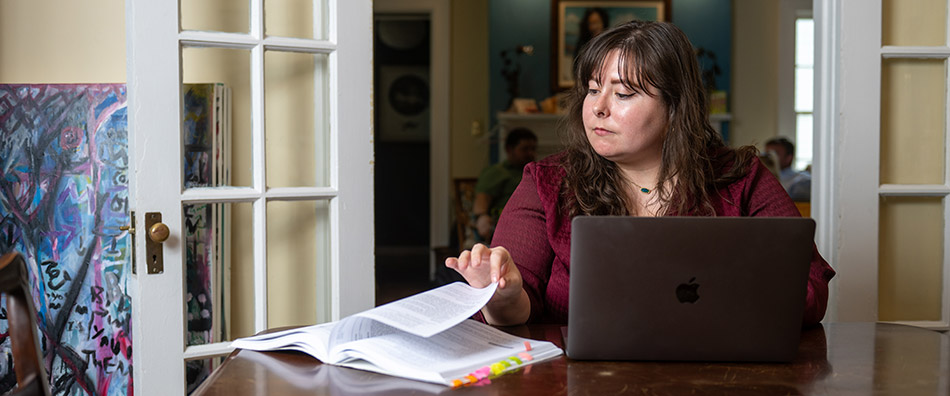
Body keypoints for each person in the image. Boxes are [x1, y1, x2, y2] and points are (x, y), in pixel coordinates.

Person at [446, 20, 835, 327]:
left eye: (623, 93)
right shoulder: (546, 182)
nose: (597, 107)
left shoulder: (741, 177)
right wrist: (505, 294)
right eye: (592, 89)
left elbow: (809, 291)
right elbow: (509, 310)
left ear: (675, 107)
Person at [472, 128, 538, 242]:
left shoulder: (537, 172)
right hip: (507, 226)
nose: (530, 153)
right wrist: (481, 217)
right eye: (524, 149)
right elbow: (482, 200)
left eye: (533, 149)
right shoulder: (496, 172)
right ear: (509, 149)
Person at [765, 137, 811, 201]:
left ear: (789, 158)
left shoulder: (802, 181)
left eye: (775, 153)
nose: (768, 158)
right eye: (767, 153)